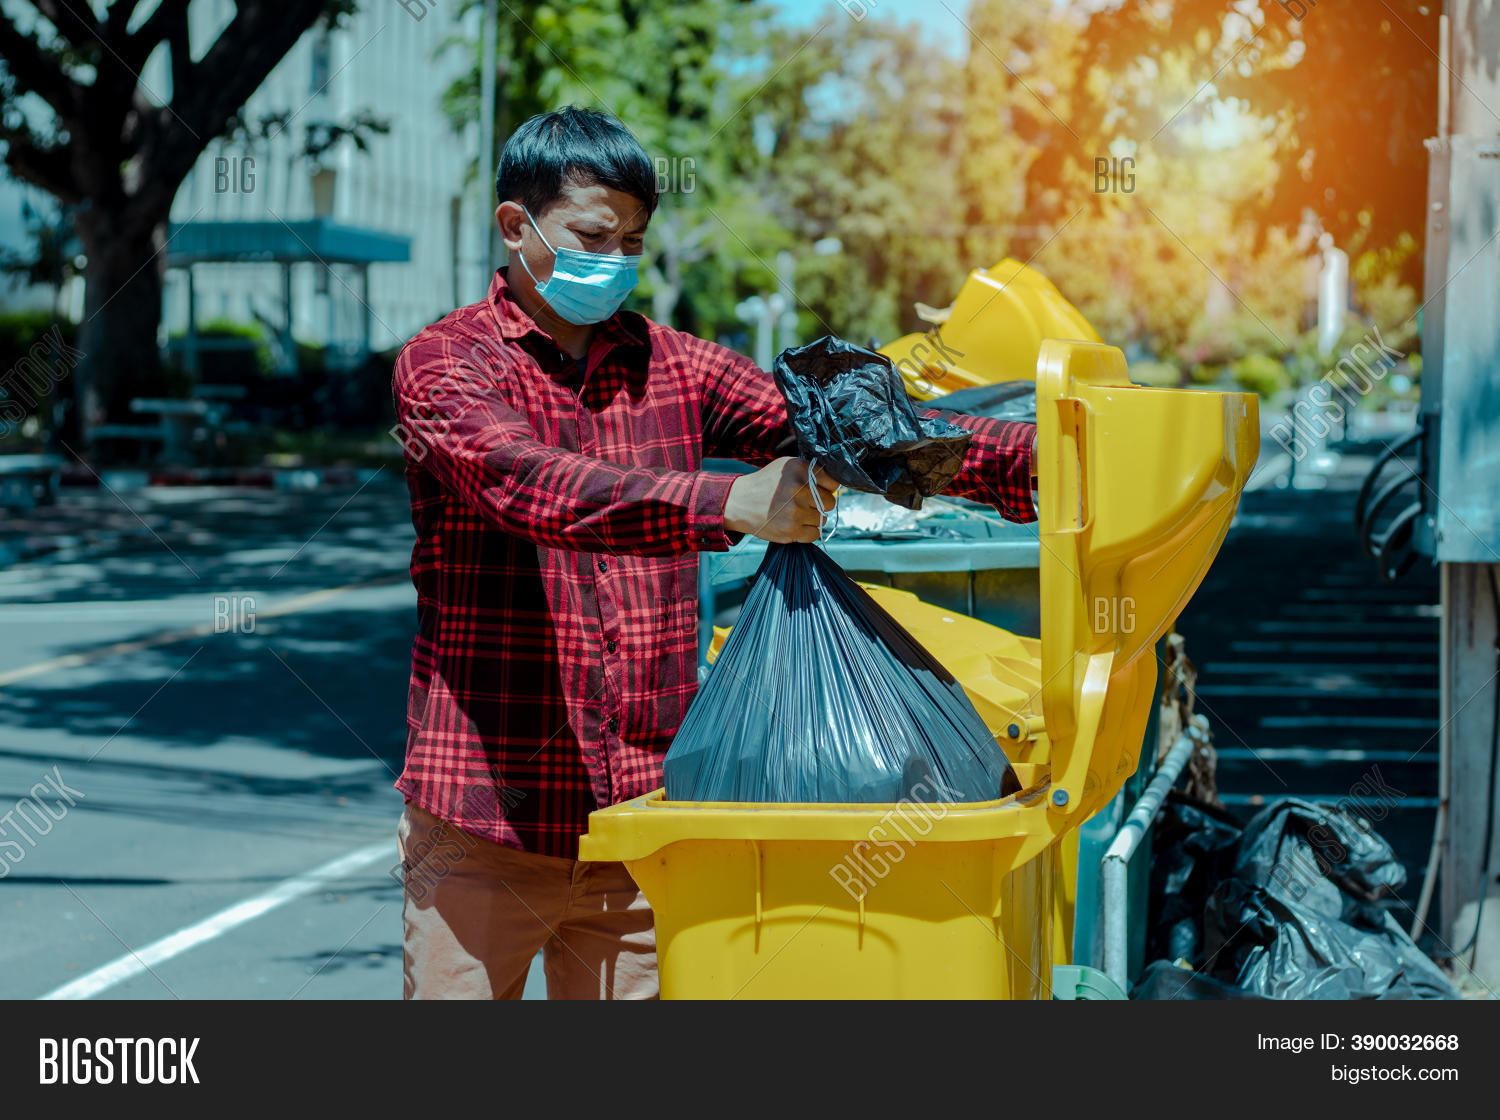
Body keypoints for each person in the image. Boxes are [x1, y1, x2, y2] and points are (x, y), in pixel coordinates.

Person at [390, 106, 1039, 999]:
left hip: (646, 826)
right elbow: (528, 484)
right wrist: (728, 500)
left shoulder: (676, 366)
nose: (615, 261)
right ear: (515, 225)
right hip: (483, 825)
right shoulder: (444, 364)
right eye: (593, 237)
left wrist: (1042, 458)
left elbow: (854, 428)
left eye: (632, 242)